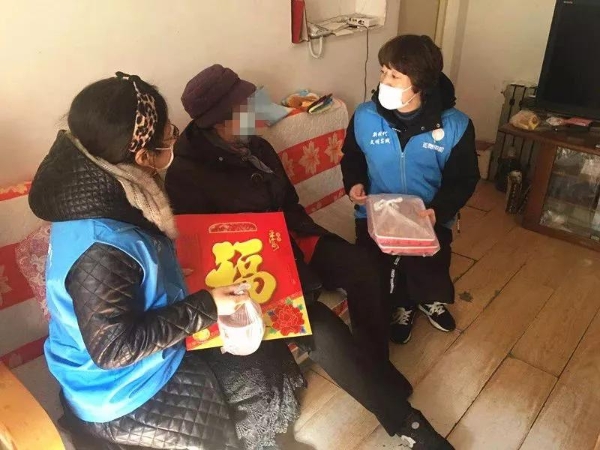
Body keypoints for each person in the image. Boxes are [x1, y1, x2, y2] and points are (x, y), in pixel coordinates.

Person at [165, 64, 454, 449]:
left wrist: (297, 240)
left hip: (293, 236)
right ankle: (406, 423)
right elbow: (202, 247)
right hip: (250, 270)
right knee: (317, 324)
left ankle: (375, 367)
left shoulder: (256, 146)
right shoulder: (186, 172)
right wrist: (280, 264)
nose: (258, 109)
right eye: (247, 105)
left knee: (365, 268)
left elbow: (288, 202)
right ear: (220, 120)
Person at [28, 72, 308, 450]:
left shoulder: (105, 189)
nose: (173, 142)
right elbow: (113, 349)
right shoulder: (101, 246)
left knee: (265, 345)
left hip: (142, 345)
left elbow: (134, 270)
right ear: (143, 156)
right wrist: (207, 306)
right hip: (121, 390)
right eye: (168, 136)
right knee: (258, 376)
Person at [341, 35, 480, 345]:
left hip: (428, 213)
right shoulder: (365, 116)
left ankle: (426, 300)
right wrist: (354, 183)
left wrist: (439, 211)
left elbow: (464, 179)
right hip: (377, 213)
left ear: (419, 82)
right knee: (380, 270)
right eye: (383, 71)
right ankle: (401, 305)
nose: (384, 82)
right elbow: (352, 156)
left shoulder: (455, 126)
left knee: (429, 265)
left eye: (394, 75)